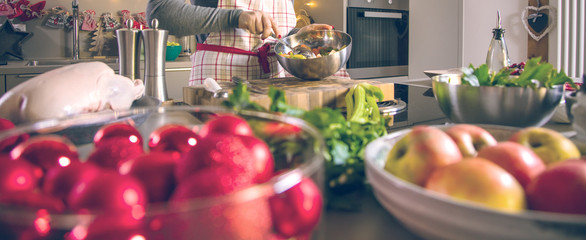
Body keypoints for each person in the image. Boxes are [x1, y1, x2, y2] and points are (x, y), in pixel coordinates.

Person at [146, 0, 349, 85]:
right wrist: (235, 17)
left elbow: (271, 33)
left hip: (274, 85)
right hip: (219, 83)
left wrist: (296, 37)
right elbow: (160, 12)